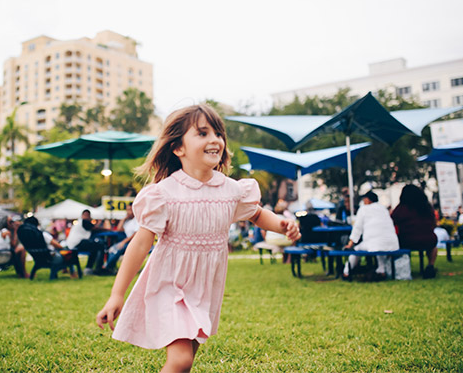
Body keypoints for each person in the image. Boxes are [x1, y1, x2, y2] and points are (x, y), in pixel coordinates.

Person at [96, 104, 301, 372]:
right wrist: (116, 294)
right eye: (202, 133)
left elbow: (257, 214)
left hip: (204, 286)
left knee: (187, 359)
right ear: (178, 148)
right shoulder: (164, 194)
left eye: (218, 132)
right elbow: (140, 243)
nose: (215, 139)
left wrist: (282, 225)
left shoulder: (231, 190)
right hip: (169, 283)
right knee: (180, 360)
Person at [342, 191, 399, 280]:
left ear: (368, 200)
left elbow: (357, 228)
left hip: (374, 243)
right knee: (380, 249)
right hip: (392, 243)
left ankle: (346, 272)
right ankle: (381, 270)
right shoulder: (383, 209)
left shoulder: (364, 209)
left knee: (356, 249)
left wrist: (350, 244)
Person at [391, 184, 438, 279]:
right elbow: (433, 223)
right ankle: (430, 265)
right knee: (433, 247)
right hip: (429, 239)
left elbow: (392, 222)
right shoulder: (427, 208)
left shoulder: (401, 209)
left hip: (407, 240)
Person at [65, 209, 107, 275]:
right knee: (100, 245)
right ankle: (97, 268)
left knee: (95, 247)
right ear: (82, 216)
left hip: (73, 244)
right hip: (77, 243)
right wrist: (109, 230)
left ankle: (89, 268)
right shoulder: (84, 222)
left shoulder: (79, 222)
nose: (87, 217)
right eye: (86, 215)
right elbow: (96, 229)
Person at [102, 204, 139, 274]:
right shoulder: (128, 221)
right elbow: (119, 229)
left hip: (133, 242)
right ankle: (109, 267)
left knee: (117, 249)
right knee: (112, 249)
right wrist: (123, 219)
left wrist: (124, 242)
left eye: (131, 210)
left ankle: (107, 267)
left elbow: (136, 233)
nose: (129, 212)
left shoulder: (137, 220)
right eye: (128, 210)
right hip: (127, 241)